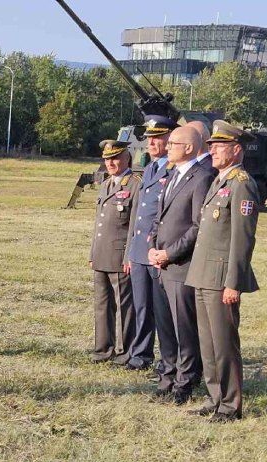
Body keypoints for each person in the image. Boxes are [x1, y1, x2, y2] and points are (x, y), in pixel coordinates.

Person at [185, 120, 260, 422]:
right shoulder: (220, 181)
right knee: (208, 343)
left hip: (221, 279)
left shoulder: (242, 184)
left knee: (224, 343)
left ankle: (230, 405)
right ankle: (215, 396)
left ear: (236, 150)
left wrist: (234, 283)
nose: (213, 151)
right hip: (203, 275)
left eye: (219, 146)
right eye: (212, 146)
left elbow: (243, 239)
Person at [148, 126, 215, 405]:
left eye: (173, 143)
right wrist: (153, 247)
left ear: (189, 148)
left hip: (180, 265)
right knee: (165, 327)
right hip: (161, 264)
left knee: (183, 329)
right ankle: (167, 376)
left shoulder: (202, 177)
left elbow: (198, 226)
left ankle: (185, 383)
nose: (167, 147)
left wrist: (170, 253)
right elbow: (160, 217)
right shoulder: (173, 174)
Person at [125, 115, 179, 372]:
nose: (151, 143)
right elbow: (139, 213)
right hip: (139, 250)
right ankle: (140, 354)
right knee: (142, 306)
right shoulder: (149, 168)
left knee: (162, 309)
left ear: (170, 139)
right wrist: (131, 251)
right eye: (149, 138)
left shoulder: (175, 170)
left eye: (157, 138)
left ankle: (168, 358)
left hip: (158, 250)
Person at [89, 140, 141, 364]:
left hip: (120, 256)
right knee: (102, 304)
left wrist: (129, 255)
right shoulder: (106, 184)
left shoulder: (135, 185)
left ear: (127, 158)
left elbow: (135, 226)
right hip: (102, 253)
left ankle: (125, 351)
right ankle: (103, 349)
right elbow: (99, 223)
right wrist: (93, 253)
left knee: (124, 306)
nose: (110, 163)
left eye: (115, 158)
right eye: (107, 159)